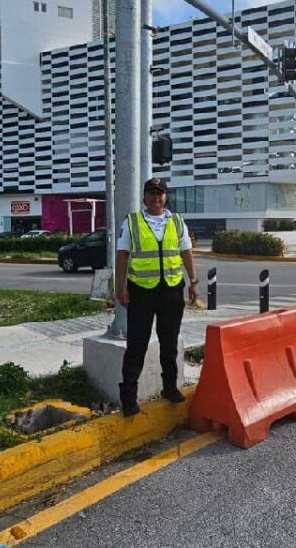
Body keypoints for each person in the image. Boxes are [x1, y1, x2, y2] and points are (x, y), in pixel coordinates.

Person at [114, 177, 200, 416]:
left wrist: (193, 282)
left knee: (169, 342)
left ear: (166, 197)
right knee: (136, 345)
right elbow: (122, 256)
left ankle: (170, 387)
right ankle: (129, 398)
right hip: (141, 291)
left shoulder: (177, 221)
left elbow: (186, 252)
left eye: (160, 193)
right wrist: (120, 287)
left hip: (172, 290)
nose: (156, 197)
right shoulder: (133, 222)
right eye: (151, 193)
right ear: (144, 197)